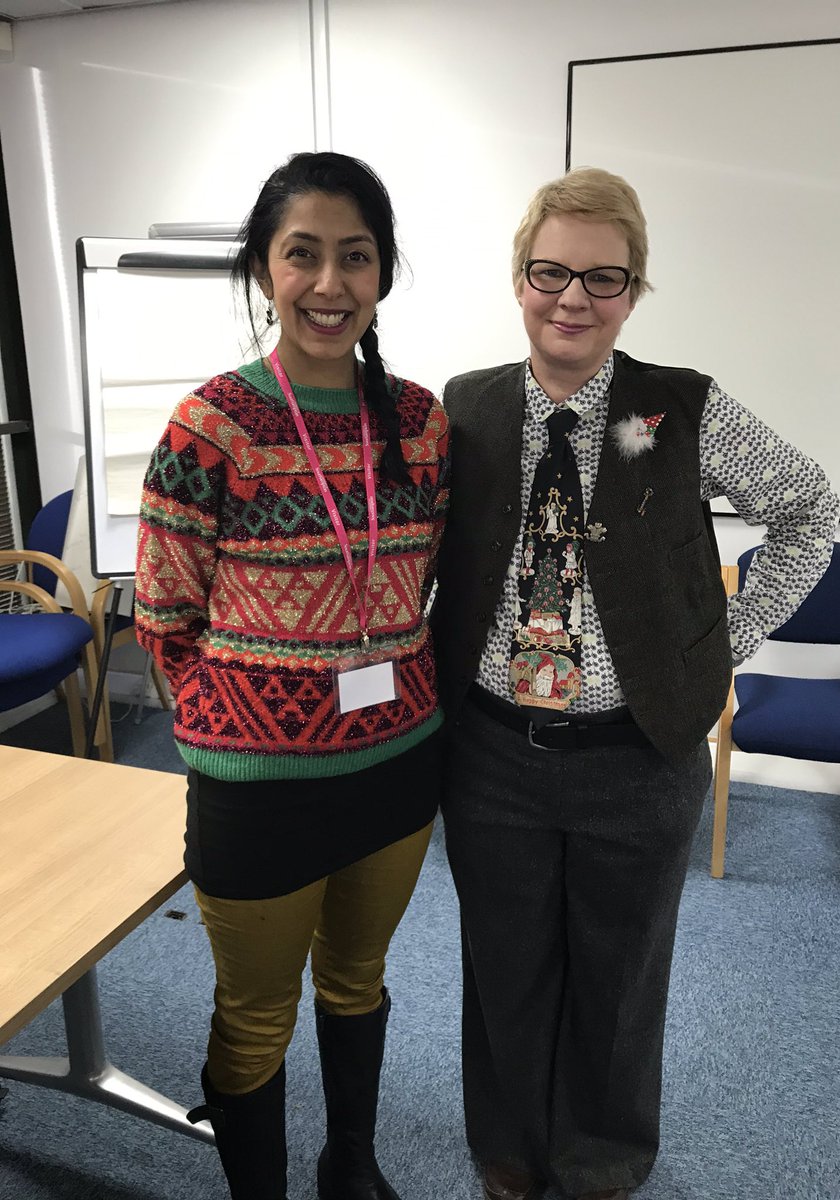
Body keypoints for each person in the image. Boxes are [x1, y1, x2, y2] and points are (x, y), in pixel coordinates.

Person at [431, 167, 839, 1200]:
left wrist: (728, 637)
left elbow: (807, 508)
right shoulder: (467, 408)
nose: (572, 298)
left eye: (602, 277)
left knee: (620, 973)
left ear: (634, 288)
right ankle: (513, 1151)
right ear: (519, 277)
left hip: (639, 752)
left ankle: (603, 1157)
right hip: (491, 751)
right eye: (550, 271)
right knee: (506, 967)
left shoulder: (675, 408)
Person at [134, 151, 450, 1200]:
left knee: (358, 983)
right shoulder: (210, 425)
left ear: (383, 273)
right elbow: (167, 615)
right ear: (264, 271)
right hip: (258, 793)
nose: (329, 284)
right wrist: (241, 729)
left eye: (354, 257)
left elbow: (426, 583)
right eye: (302, 255)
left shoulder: (420, 421)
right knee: (255, 1016)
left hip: (399, 771)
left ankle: (348, 1166)